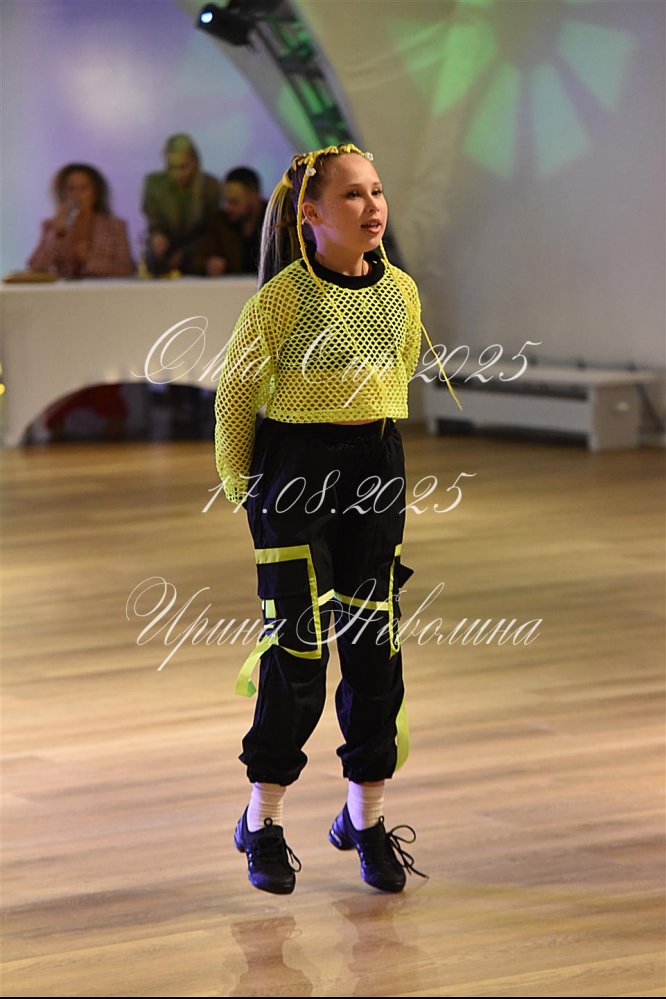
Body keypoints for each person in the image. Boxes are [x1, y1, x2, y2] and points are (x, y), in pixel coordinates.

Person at [213, 143, 462, 896]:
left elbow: (392, 378)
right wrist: (240, 484)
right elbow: (236, 393)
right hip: (295, 476)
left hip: (375, 472)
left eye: (377, 191)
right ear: (312, 215)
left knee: (374, 647)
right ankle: (262, 819)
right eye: (353, 195)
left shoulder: (401, 292)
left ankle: (366, 817)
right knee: (297, 653)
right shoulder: (283, 297)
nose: (372, 206)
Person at [27, 163, 135, 278]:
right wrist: (58, 233)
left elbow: (126, 268)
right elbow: (36, 266)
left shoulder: (115, 226)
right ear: (62, 193)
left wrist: (88, 260)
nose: (77, 195)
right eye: (71, 189)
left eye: (84, 189)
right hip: (64, 288)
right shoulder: (51, 225)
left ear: (96, 193)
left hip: (103, 287)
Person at [141, 134, 220, 276]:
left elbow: (211, 230)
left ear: (195, 162)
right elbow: (154, 222)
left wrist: (185, 253)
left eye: (183, 167)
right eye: (171, 167)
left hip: (198, 252)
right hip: (164, 252)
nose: (177, 174)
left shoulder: (210, 186)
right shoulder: (154, 184)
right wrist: (157, 236)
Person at [221, 166, 268, 272]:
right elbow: (200, 258)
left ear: (254, 197)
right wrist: (208, 264)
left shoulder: (278, 222)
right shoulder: (220, 222)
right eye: (226, 201)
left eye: (234, 202)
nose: (228, 208)